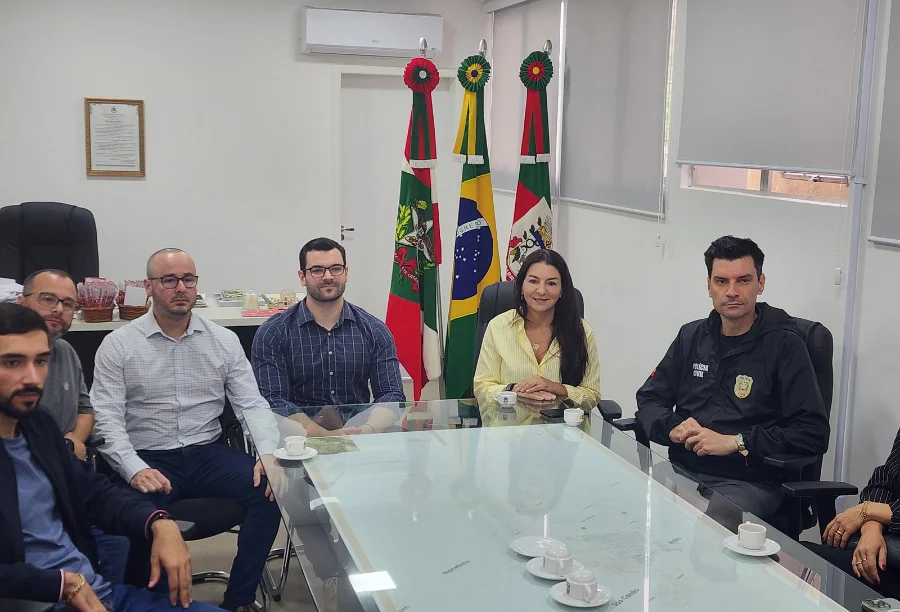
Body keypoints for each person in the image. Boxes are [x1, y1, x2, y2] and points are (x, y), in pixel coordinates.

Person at [91, 248, 281, 612]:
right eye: (169, 280)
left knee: (269, 492)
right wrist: (134, 469)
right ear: (149, 286)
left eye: (188, 280)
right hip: (147, 456)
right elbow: (107, 419)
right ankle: (160, 604)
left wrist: (268, 454)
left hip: (207, 453)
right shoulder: (118, 345)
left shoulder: (223, 341)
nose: (181, 288)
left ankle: (239, 599)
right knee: (143, 518)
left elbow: (251, 404)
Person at [0, 302, 222, 612]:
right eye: (12, 362)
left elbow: (92, 493)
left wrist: (159, 522)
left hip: (100, 595)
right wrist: (60, 585)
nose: (32, 378)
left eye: (40, 361)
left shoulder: (39, 425)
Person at [636, 236, 830, 527]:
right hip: (684, 470)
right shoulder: (691, 337)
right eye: (722, 281)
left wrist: (736, 442)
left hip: (749, 481)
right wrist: (674, 428)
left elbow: (813, 432)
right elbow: (650, 398)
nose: (732, 292)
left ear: (760, 284)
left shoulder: (786, 345)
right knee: (628, 505)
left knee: (712, 531)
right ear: (709, 286)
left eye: (743, 280)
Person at [18, 268, 131, 586]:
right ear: (20, 301)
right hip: (30, 486)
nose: (58, 309)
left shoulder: (66, 353)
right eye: (48, 299)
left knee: (123, 535)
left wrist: (74, 441)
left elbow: (86, 408)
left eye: (68, 303)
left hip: (71, 473)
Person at [252, 237, 405, 436]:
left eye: (335, 269)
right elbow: (274, 401)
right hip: (298, 441)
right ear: (301, 277)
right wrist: (326, 437)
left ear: (346, 272)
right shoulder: (274, 333)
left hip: (360, 436)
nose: (328, 276)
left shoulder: (374, 330)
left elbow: (391, 394)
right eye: (317, 270)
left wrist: (367, 430)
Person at [473, 249, 601, 410]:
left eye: (551, 283)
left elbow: (592, 395)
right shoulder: (499, 326)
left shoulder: (582, 331)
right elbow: (482, 387)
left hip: (562, 431)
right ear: (521, 286)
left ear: (562, 291)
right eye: (533, 281)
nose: (541, 291)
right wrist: (514, 390)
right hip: (508, 429)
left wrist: (556, 387)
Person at [804, 426, 900, 597]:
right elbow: (883, 482)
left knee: (810, 566)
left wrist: (868, 510)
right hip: (882, 540)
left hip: (892, 557)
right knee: (792, 557)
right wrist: (871, 527)